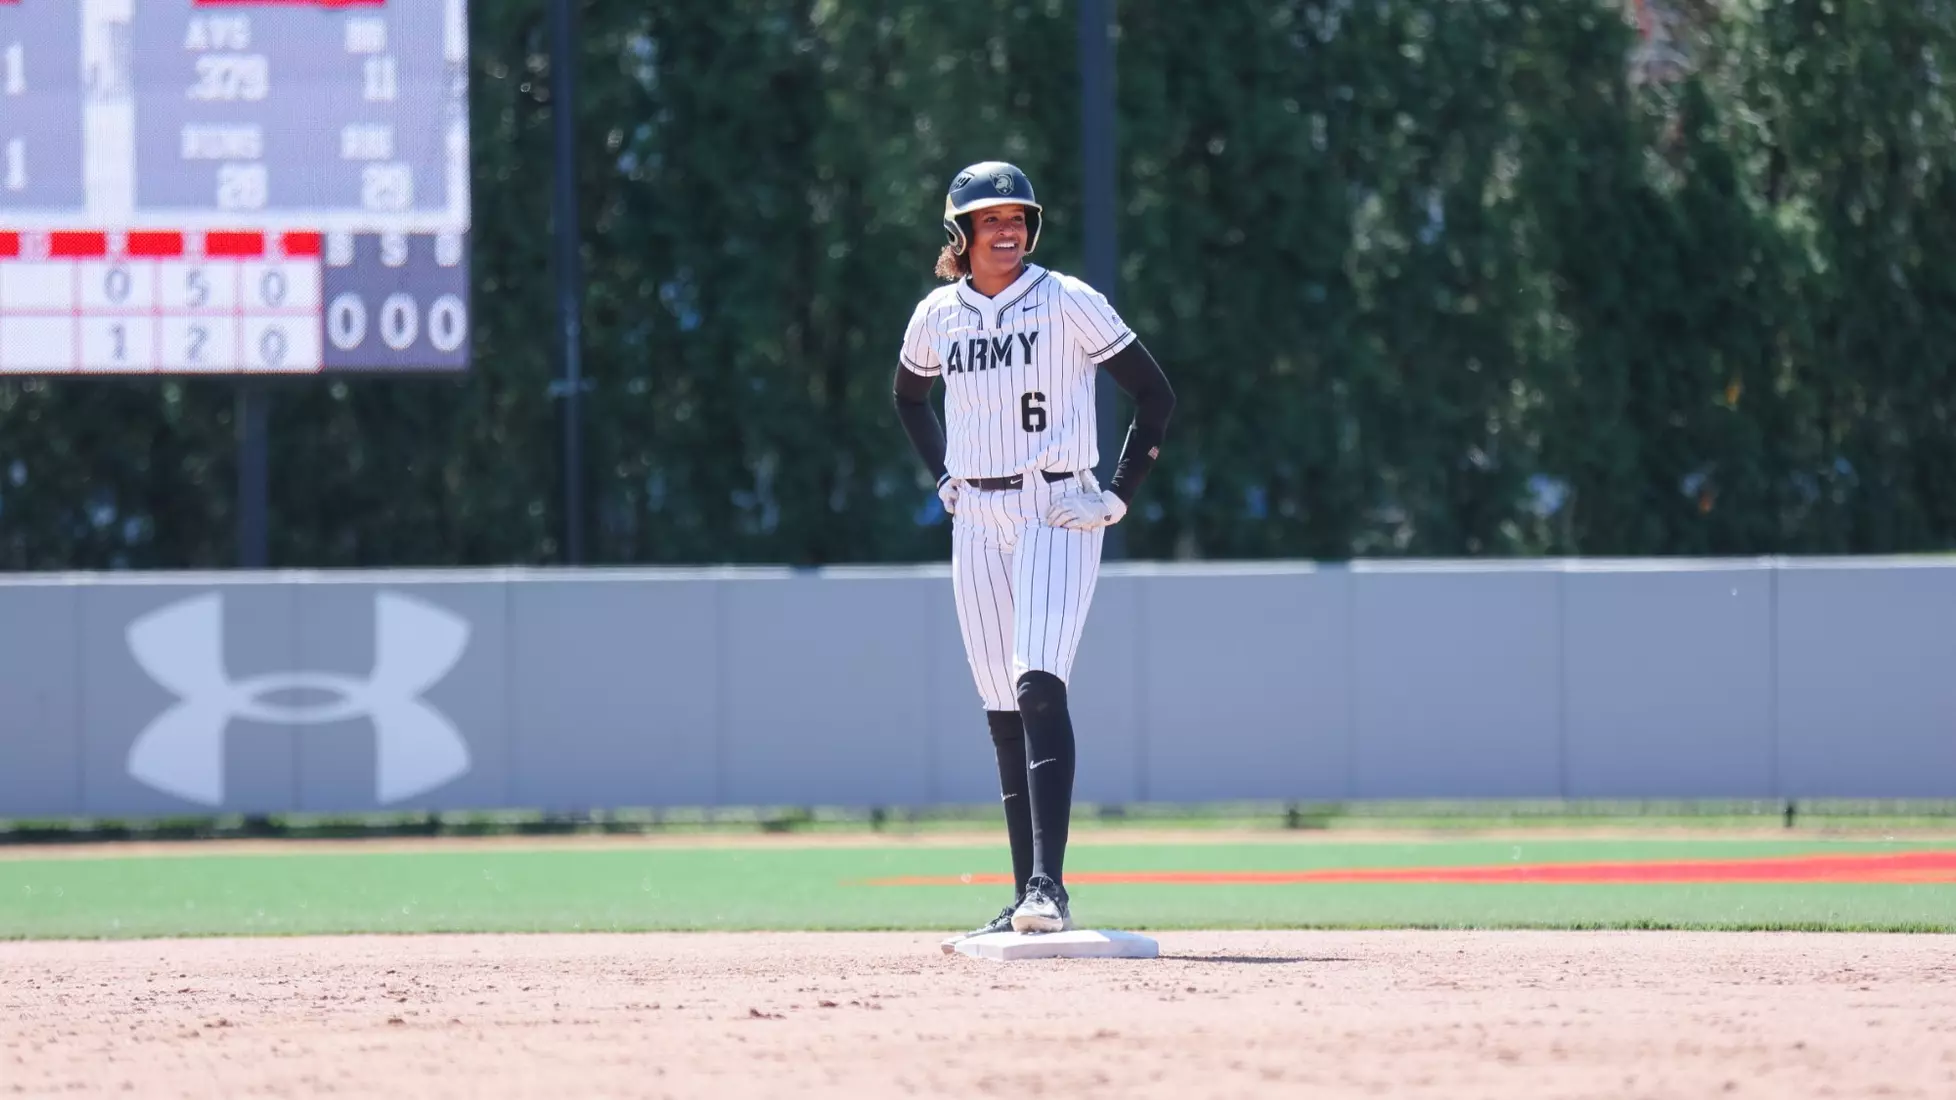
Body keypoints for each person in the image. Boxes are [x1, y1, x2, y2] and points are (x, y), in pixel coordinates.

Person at [892, 161, 1176, 938]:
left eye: (1017, 216)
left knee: (1038, 684)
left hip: (1057, 504)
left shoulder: (1068, 301)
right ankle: (1025, 896)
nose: (1008, 228)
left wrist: (1116, 494)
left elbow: (1155, 395)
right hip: (976, 515)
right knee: (1000, 710)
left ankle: (1050, 887)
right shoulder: (937, 315)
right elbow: (908, 396)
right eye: (990, 219)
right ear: (961, 233)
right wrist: (943, 474)